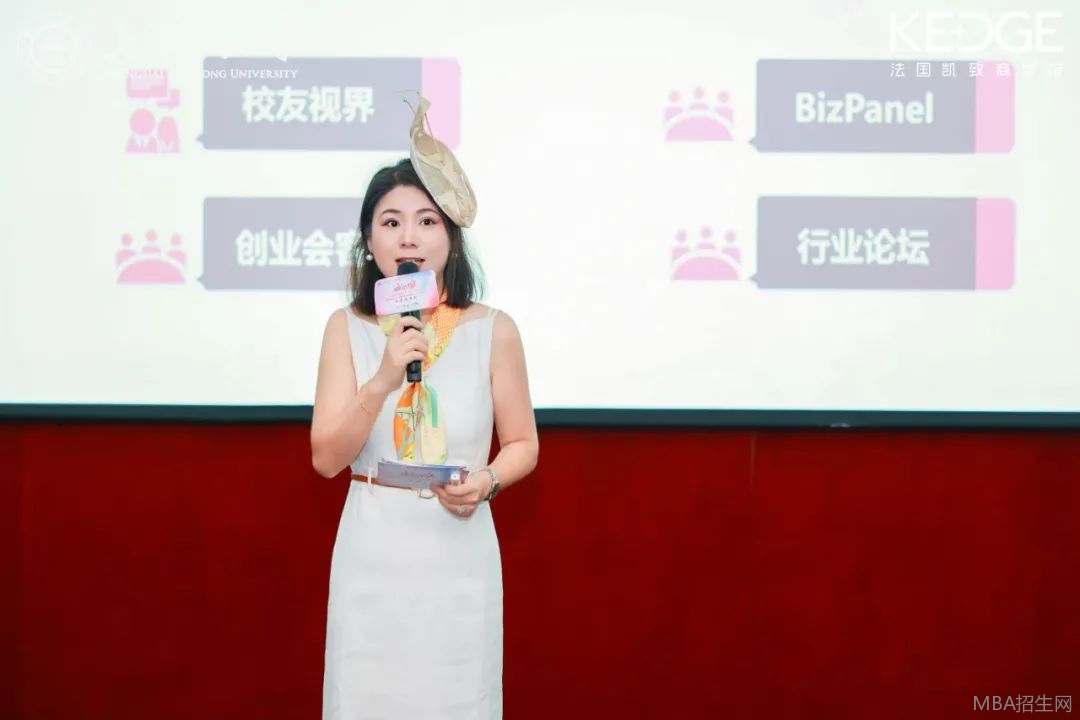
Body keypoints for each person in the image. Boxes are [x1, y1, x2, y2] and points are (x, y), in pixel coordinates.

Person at [310, 97, 539, 719]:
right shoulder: (346, 328)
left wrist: (488, 480)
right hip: (373, 556)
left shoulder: (493, 329)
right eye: (390, 222)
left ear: (450, 238)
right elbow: (326, 459)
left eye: (426, 221)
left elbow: (523, 444)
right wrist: (384, 378)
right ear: (369, 242)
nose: (408, 236)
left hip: (457, 554)